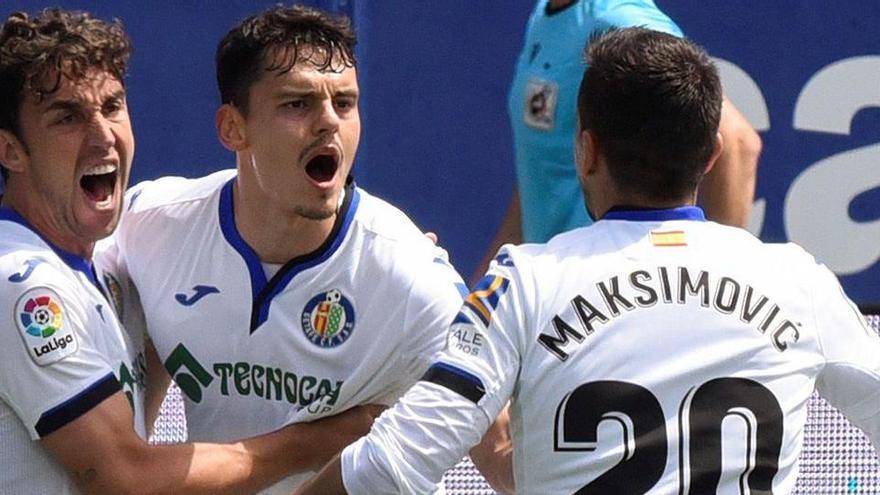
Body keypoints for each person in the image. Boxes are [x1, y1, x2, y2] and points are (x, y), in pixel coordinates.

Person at [294, 27, 880, 494]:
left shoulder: (523, 282)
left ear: (587, 149)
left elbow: (390, 467)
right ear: (711, 154)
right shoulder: (798, 281)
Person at [0, 7, 382, 494]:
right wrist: (323, 440)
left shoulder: (112, 255)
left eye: (113, 106)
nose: (103, 136)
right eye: (67, 117)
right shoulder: (21, 283)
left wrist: (371, 258)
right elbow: (125, 477)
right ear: (11, 151)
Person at [96, 4, 469, 493]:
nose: (329, 122)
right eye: (298, 104)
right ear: (233, 128)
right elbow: (141, 348)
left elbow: (504, 445)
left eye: (345, 103)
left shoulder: (410, 280)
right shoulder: (149, 227)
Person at [474, 0, 761, 283]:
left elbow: (737, 142)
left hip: (608, 299)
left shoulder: (621, 17)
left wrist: (715, 287)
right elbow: (538, 177)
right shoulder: (545, 14)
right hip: (549, 295)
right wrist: (478, 294)